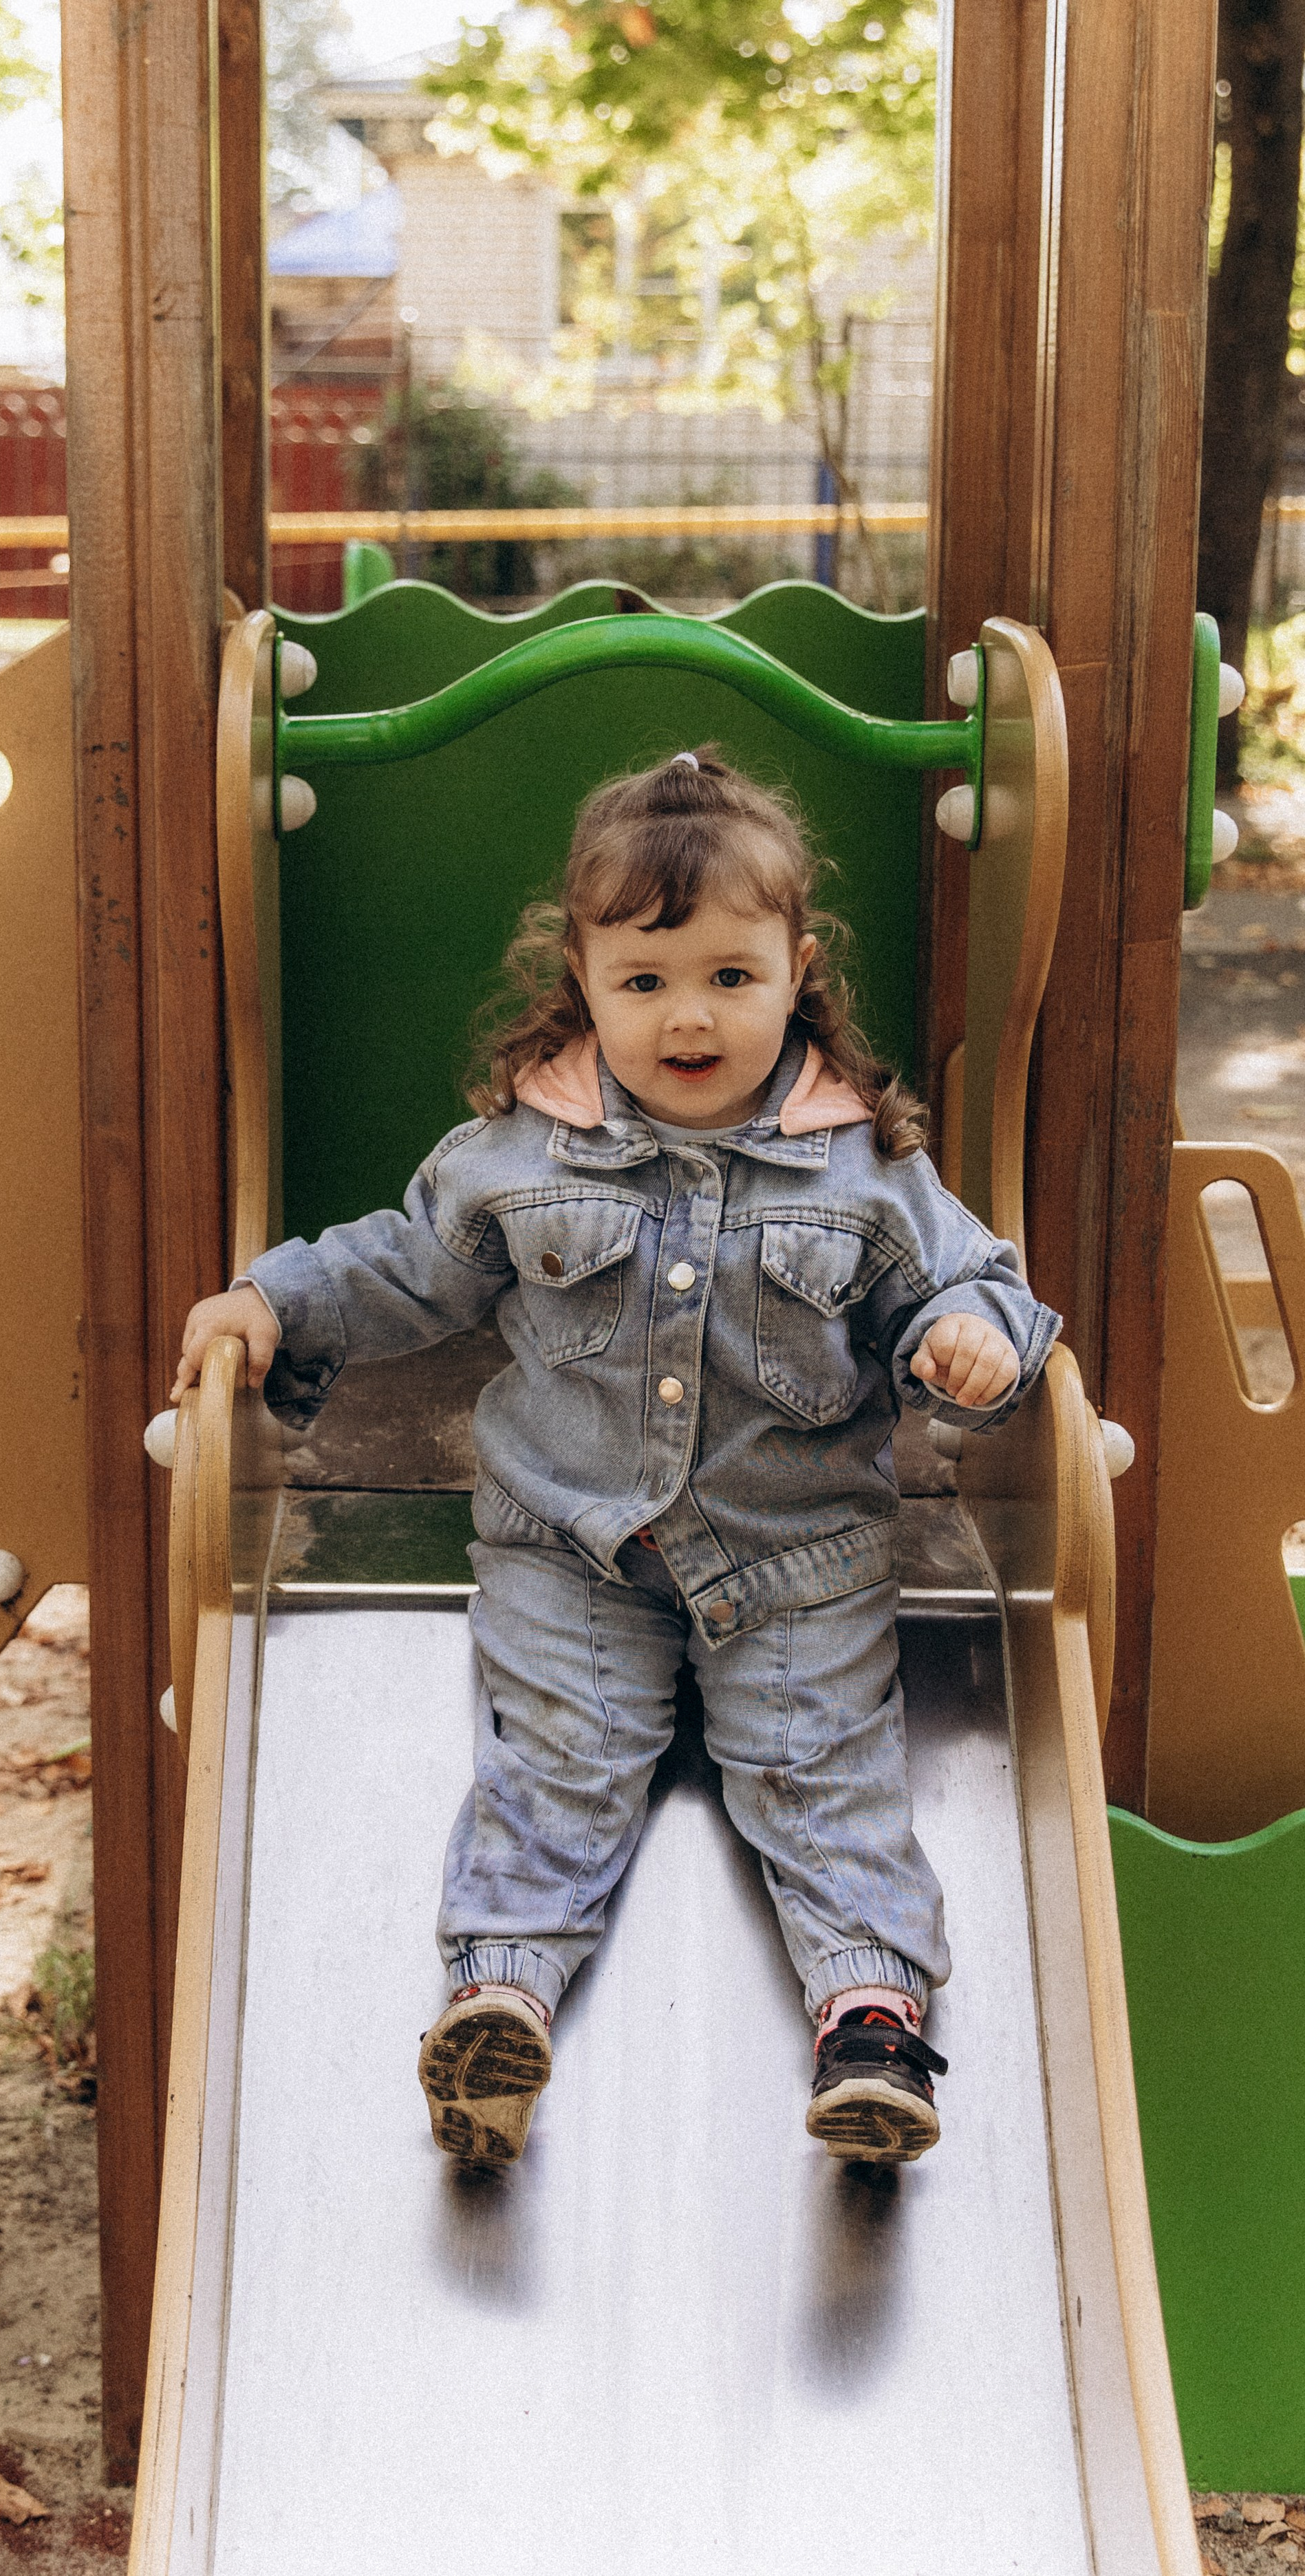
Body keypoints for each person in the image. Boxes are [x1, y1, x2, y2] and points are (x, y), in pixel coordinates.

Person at [172, 748, 1059, 2170]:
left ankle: (872, 2023)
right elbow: (405, 1266)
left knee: (822, 1773)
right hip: (570, 1546)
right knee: (559, 1763)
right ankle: (499, 2000)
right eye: (643, 980)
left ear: (797, 973)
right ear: (580, 980)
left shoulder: (866, 1166)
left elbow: (972, 1285)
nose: (687, 1015)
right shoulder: (524, 1150)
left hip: (797, 1558)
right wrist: (273, 1302)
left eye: (729, 976)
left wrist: (972, 1341)